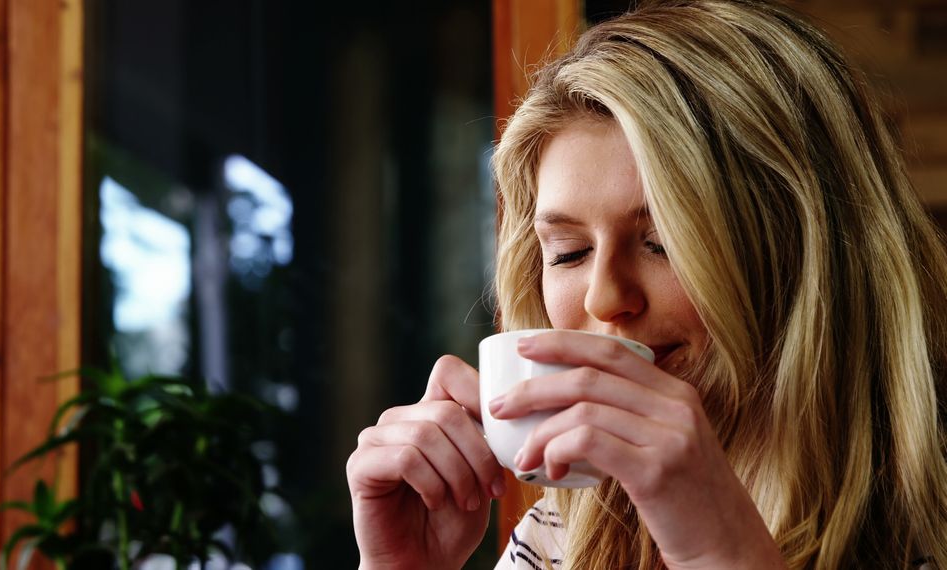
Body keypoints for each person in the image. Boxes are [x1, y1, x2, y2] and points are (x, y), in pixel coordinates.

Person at [345, 0, 947, 567]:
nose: (604, 298)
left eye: (664, 243)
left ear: (807, 258)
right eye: (570, 252)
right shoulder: (560, 538)